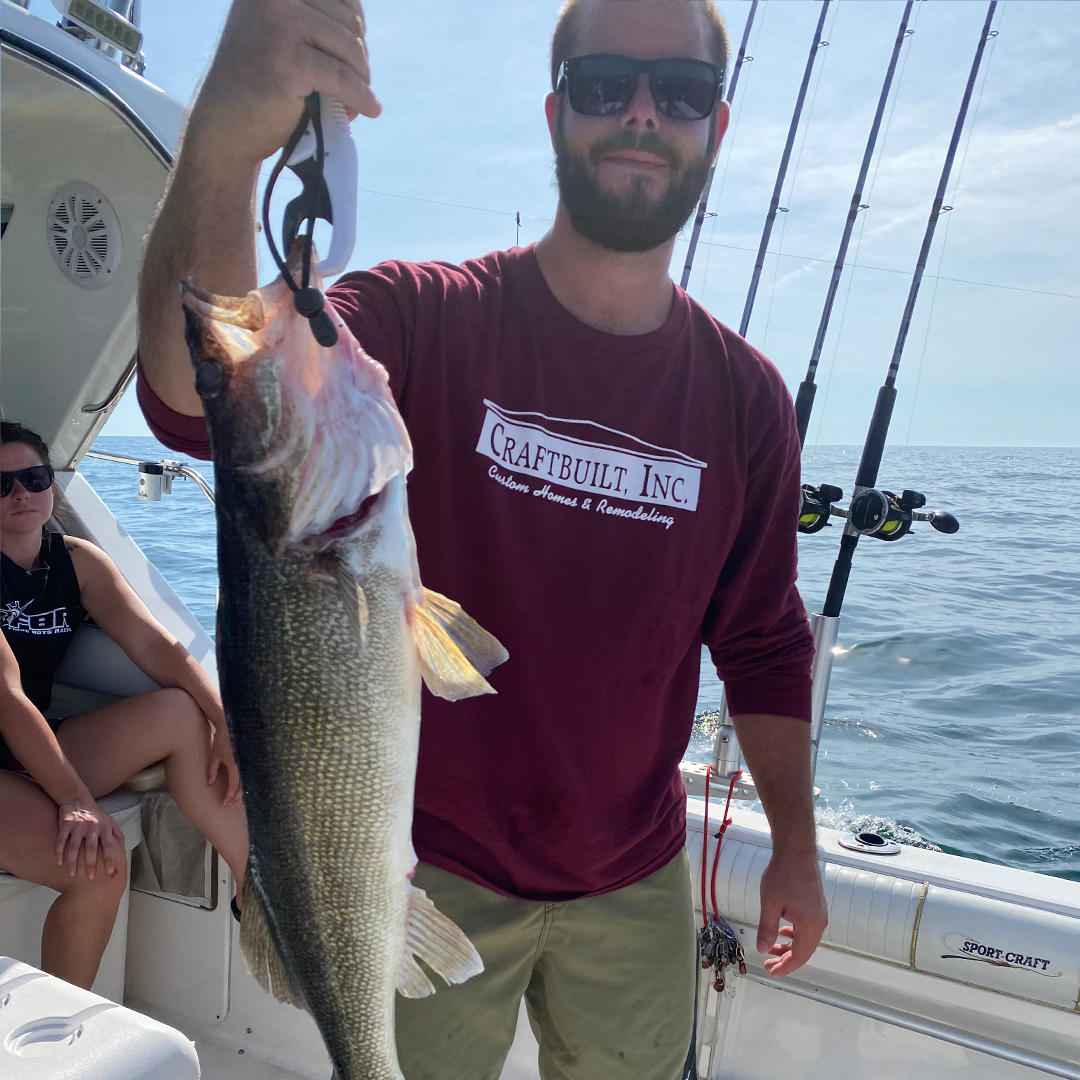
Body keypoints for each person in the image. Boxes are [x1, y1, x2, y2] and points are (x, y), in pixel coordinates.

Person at [136, 0, 829, 1076]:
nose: (642, 114)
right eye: (605, 85)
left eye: (679, 94)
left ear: (716, 128)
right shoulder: (422, 317)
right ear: (556, 113)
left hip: (635, 879)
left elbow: (764, 640)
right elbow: (197, 399)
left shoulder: (747, 399)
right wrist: (227, 144)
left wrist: (796, 843)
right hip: (418, 871)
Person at [0, 421, 249, 990]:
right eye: (2, 484)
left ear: (51, 487)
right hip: (7, 747)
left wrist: (224, 722)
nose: (20, 493)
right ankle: (56, 1039)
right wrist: (76, 802)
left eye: (33, 478)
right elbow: (7, 696)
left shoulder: (76, 561)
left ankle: (252, 884)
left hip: (37, 741)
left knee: (182, 714)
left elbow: (158, 648)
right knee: (98, 868)